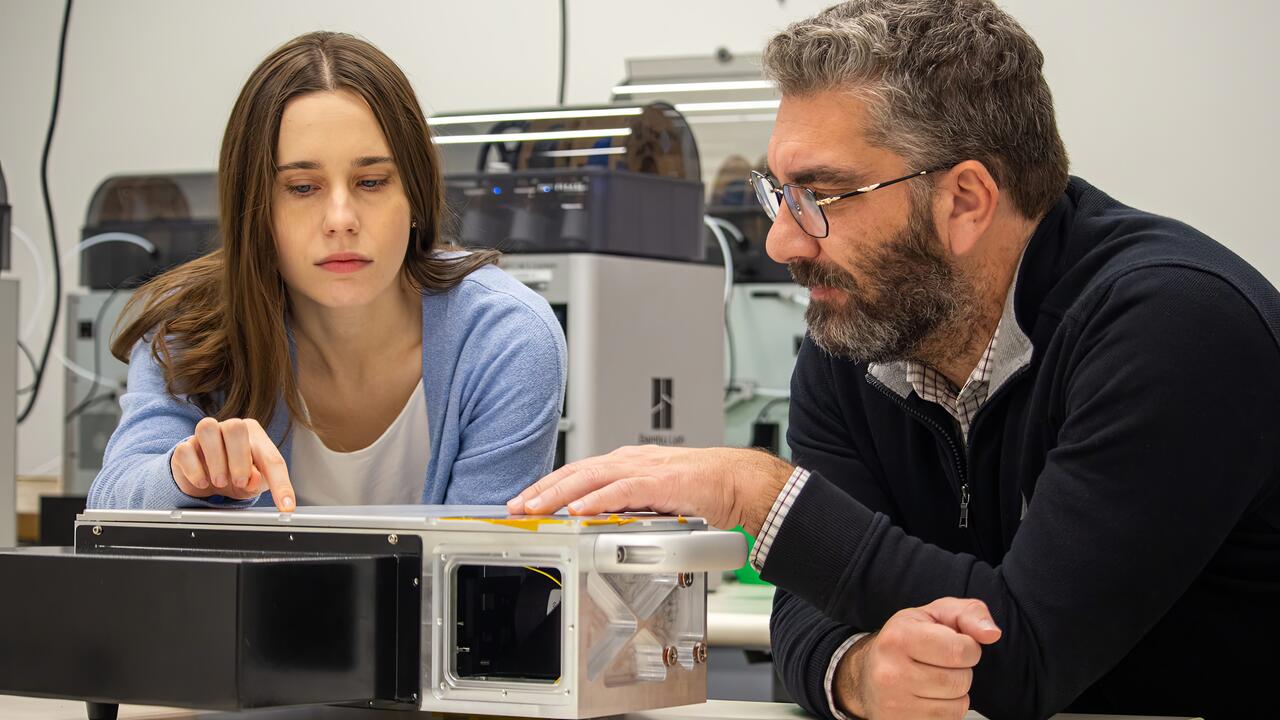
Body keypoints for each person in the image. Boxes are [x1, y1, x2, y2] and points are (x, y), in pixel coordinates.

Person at [508, 1, 1280, 718]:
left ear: (966, 200)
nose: (781, 241)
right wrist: (860, 672)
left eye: (819, 196)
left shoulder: (1174, 323)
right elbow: (811, 605)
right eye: (780, 194)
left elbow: (1031, 655)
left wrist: (759, 495)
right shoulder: (855, 339)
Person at [89, 32, 566, 512]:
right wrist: (182, 474)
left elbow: (482, 575)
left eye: (372, 182)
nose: (341, 219)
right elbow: (109, 502)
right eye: (301, 187)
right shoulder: (189, 332)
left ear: (416, 197)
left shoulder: (508, 340)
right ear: (255, 210)